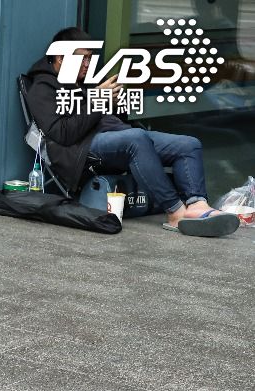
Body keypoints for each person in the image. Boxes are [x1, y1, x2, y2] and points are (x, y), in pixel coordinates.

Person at [25, 27, 240, 237]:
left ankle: (196, 204)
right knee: (135, 139)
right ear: (60, 58)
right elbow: (63, 134)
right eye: (82, 59)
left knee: (188, 144)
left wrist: (117, 103)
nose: (87, 64)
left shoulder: (84, 80)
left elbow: (112, 119)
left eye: (89, 58)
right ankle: (175, 211)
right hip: (81, 149)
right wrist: (98, 100)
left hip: (116, 135)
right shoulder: (43, 88)